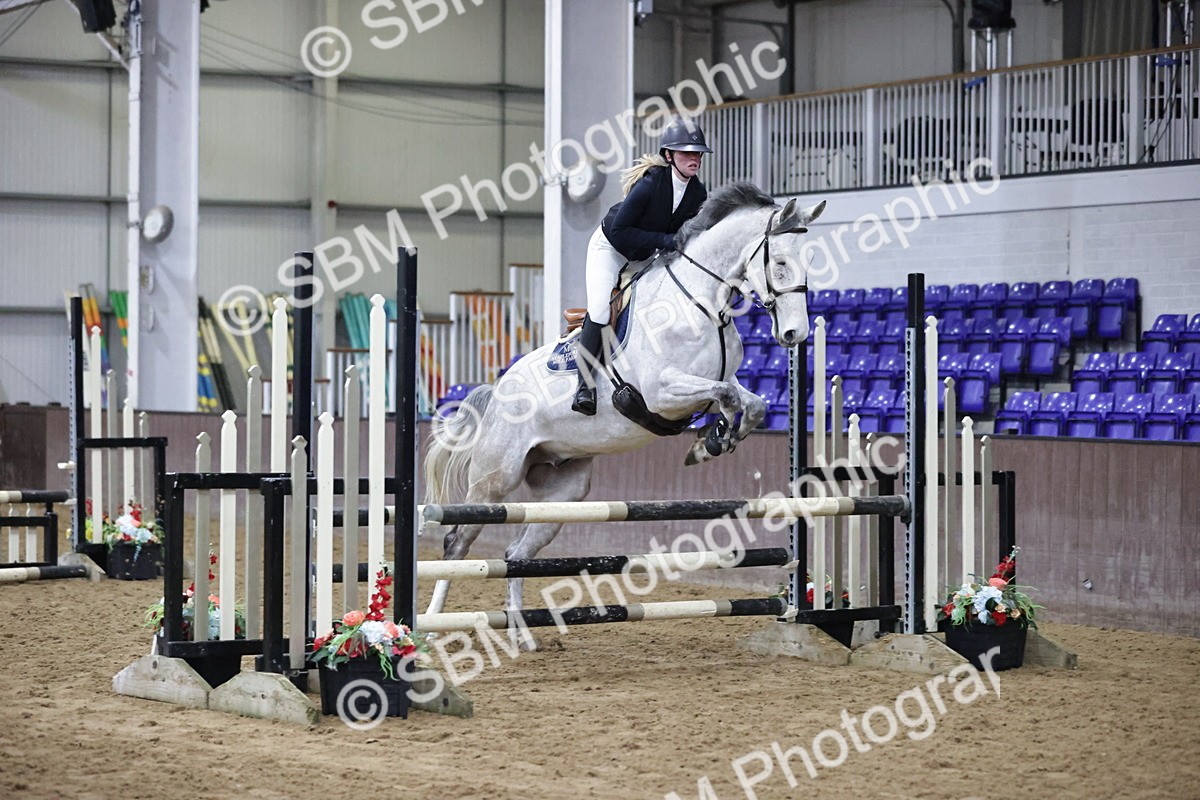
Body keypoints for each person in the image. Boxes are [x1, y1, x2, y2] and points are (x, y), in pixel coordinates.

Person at [571, 116, 713, 416]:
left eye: (698, 153)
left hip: (646, 255)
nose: (695, 158)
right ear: (668, 156)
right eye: (687, 152)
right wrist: (665, 239)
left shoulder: (698, 193)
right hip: (610, 248)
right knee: (600, 309)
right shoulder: (650, 184)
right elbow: (621, 230)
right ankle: (584, 386)